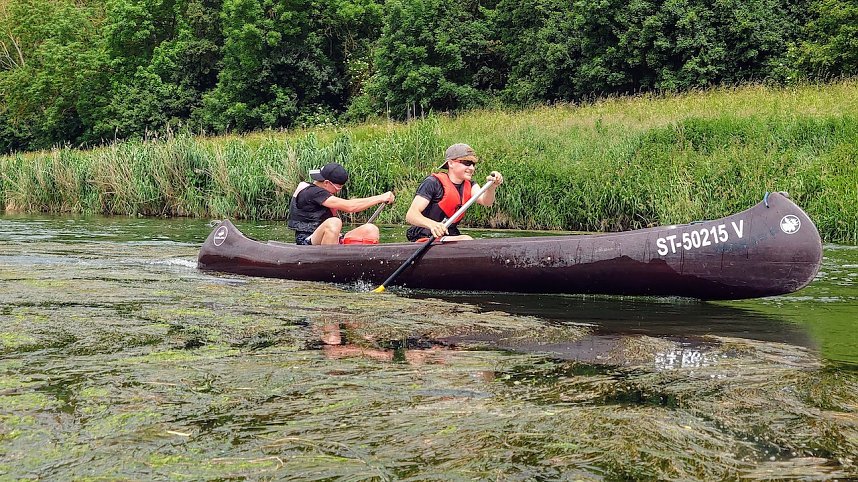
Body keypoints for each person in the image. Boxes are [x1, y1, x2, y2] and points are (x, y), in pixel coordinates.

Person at [405, 143, 504, 242]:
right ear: (451, 163)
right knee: (466, 239)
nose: (472, 168)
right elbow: (411, 215)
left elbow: (486, 201)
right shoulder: (433, 183)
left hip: (448, 236)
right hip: (424, 238)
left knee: (466, 239)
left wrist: (492, 187)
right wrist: (433, 225)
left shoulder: (470, 185)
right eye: (466, 163)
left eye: (473, 164)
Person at [287, 162, 394, 245]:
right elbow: (350, 206)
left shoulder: (320, 192)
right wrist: (380, 197)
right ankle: (329, 265)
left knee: (370, 229)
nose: (338, 191)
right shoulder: (313, 192)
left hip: (330, 239)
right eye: (339, 187)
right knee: (334, 222)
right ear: (326, 183)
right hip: (307, 240)